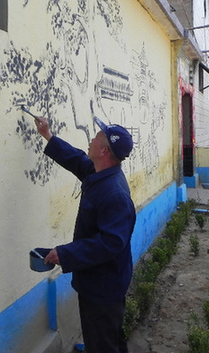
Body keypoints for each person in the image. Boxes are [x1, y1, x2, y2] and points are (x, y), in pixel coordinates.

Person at [34, 114, 136, 353]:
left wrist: (65, 254)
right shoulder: (99, 173)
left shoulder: (114, 193)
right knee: (109, 338)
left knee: (101, 343)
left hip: (104, 286)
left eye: (96, 137)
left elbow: (111, 243)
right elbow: (77, 160)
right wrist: (48, 135)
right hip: (98, 280)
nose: (91, 139)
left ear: (103, 151)